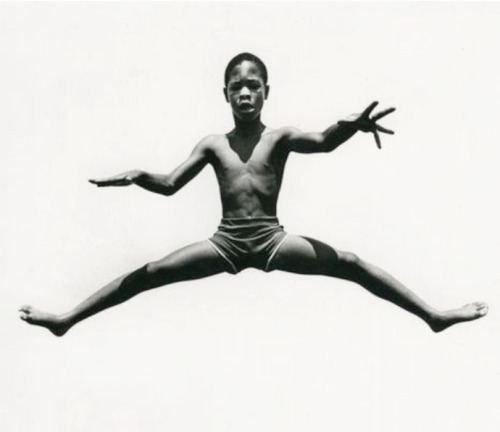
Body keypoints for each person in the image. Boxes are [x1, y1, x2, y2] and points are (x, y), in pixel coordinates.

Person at [20, 52, 487, 336]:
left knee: (351, 264)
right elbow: (169, 185)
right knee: (151, 272)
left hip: (271, 240)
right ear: (225, 94)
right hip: (225, 241)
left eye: (253, 86)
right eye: (237, 87)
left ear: (266, 92)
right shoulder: (213, 144)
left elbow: (322, 140)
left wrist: (352, 126)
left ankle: (432, 315)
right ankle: (66, 320)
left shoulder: (279, 138)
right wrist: (139, 174)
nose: (245, 93)